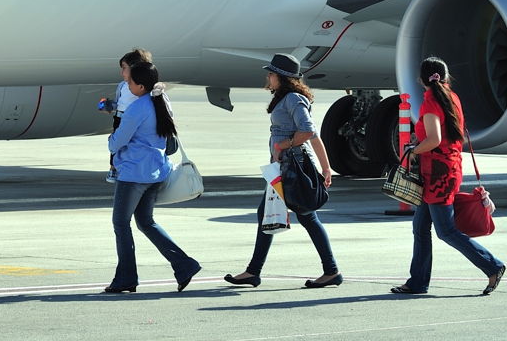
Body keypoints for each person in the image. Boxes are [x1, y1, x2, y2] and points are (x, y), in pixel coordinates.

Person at [391, 57, 506, 296]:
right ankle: (418, 282)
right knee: (420, 227)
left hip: (437, 176)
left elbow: (433, 139)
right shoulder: (451, 98)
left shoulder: (431, 102)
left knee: (446, 230)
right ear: (445, 77)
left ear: (422, 79)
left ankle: (492, 265)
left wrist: (413, 149)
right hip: (445, 169)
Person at [224, 54, 341, 289]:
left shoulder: (293, 99)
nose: (268, 77)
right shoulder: (286, 98)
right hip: (282, 167)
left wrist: (282, 145)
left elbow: (307, 131)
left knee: (304, 216)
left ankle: (330, 271)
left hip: (291, 167)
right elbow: (314, 136)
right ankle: (253, 271)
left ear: (282, 77)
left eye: (271, 73)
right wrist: (326, 167)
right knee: (271, 214)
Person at [104, 61, 200, 293]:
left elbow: (119, 140)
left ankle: (127, 277)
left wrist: (110, 141)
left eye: (129, 82)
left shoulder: (138, 108)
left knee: (121, 223)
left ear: (140, 86)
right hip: (156, 172)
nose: (127, 85)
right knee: (146, 222)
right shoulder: (161, 100)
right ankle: (184, 264)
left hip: (134, 173)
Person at [103, 48, 153, 183]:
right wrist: (110, 106)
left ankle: (130, 167)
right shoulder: (122, 86)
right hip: (120, 117)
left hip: (136, 119)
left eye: (124, 68)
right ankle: (114, 168)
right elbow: (119, 103)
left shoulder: (145, 88)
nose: (121, 72)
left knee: (132, 144)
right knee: (116, 143)